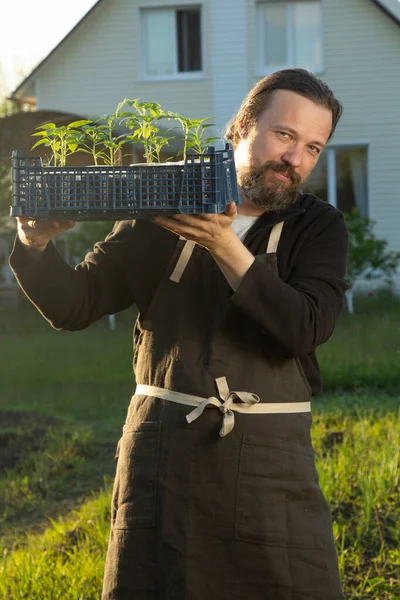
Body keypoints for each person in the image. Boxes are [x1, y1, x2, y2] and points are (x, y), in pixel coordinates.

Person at [10, 68, 348, 600]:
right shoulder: (160, 203)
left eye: (313, 147)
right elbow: (75, 305)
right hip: (164, 453)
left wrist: (225, 245)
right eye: (285, 135)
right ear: (241, 128)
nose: (295, 158)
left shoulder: (318, 227)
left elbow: (306, 327)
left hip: (270, 461)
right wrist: (33, 246)